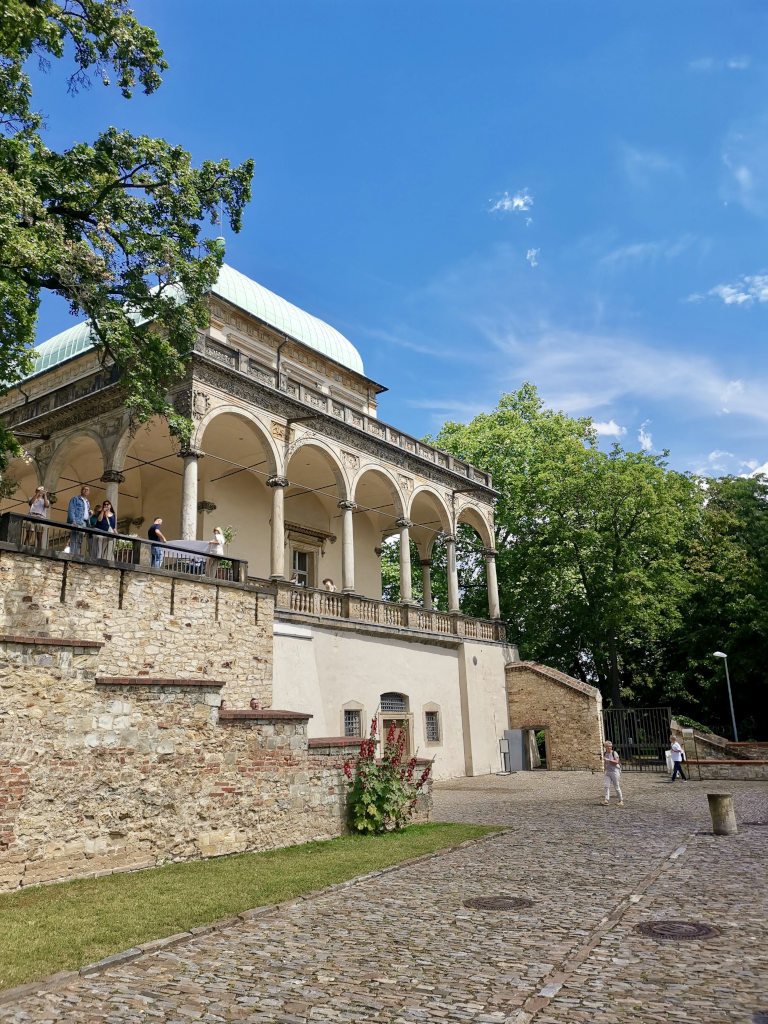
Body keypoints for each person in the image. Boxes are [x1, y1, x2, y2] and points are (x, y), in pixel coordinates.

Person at [66, 485, 91, 555]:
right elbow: (71, 510)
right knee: (74, 539)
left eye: (87, 490)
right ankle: (73, 555)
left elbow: (85, 514)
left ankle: (77, 554)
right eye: (84, 489)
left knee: (80, 540)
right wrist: (73, 521)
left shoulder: (87, 502)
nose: (86, 491)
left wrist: (90, 514)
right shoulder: (75, 499)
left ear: (89, 492)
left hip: (84, 523)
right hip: (77, 521)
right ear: (81, 491)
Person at [601, 741, 624, 806]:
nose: (610, 748)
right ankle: (606, 800)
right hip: (608, 772)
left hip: (615, 771)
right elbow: (605, 763)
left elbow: (616, 762)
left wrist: (608, 760)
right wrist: (604, 769)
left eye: (610, 746)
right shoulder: (605, 753)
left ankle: (621, 800)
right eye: (608, 746)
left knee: (616, 786)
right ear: (605, 747)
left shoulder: (614, 753)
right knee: (606, 786)